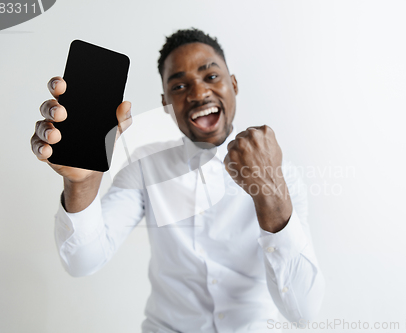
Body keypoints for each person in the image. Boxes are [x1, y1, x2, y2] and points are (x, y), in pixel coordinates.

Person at [30, 28, 325, 332]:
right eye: (180, 85)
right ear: (166, 103)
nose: (198, 94)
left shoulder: (284, 173)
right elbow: (82, 261)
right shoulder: (145, 167)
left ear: (233, 84)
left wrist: (269, 192)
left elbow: (303, 311)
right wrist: (82, 183)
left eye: (210, 76)